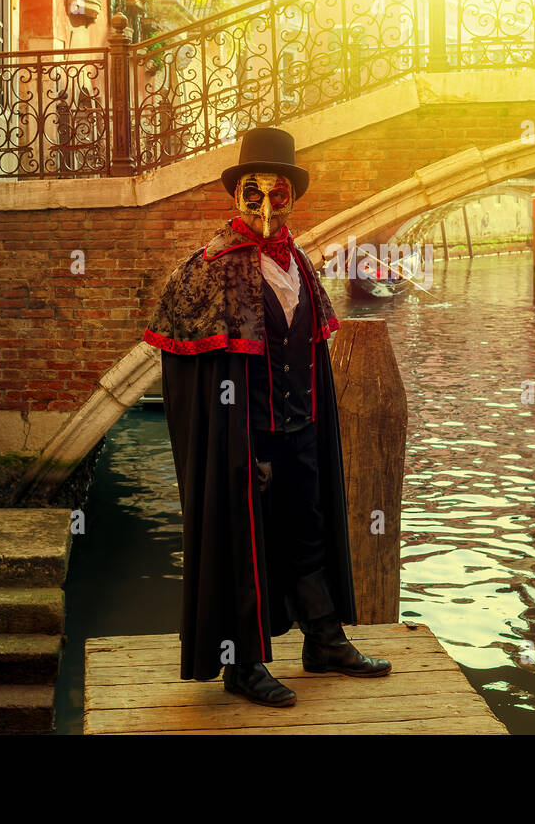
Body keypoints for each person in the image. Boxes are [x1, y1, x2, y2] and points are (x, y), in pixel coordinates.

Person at [143, 126, 392, 708]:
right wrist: (226, 436)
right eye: (252, 193)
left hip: (298, 427)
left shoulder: (299, 264)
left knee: (308, 529)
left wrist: (306, 418)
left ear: (290, 198)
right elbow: (185, 364)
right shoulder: (210, 266)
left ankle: (323, 639)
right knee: (242, 543)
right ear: (237, 196)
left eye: (276, 194)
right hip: (242, 435)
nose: (263, 206)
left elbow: (306, 346)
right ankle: (242, 664)